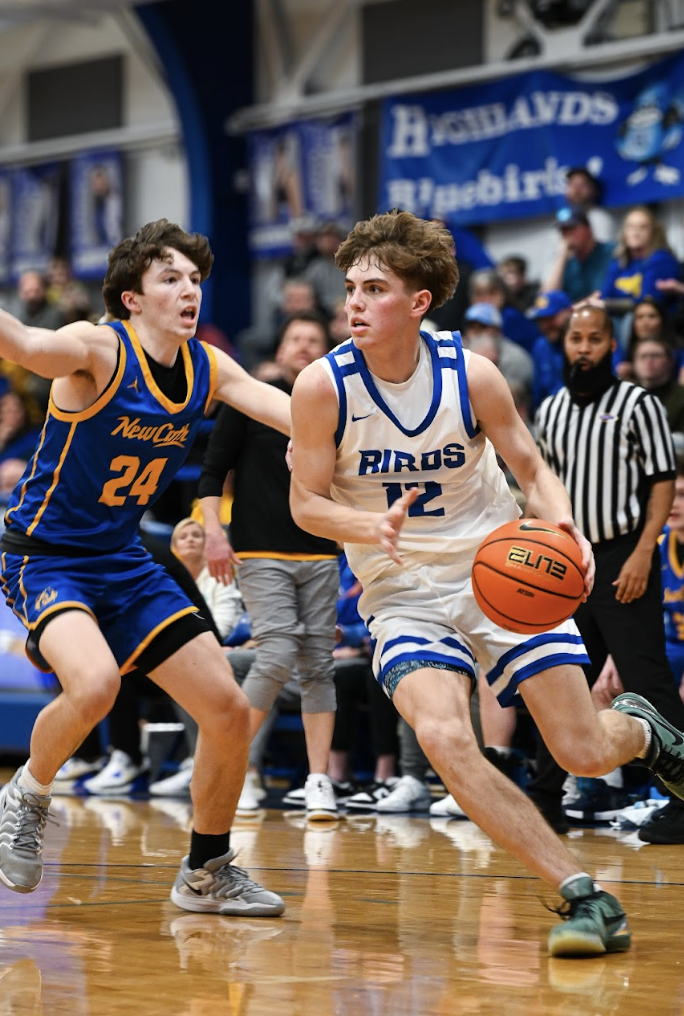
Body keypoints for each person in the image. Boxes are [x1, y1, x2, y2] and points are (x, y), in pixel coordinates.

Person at [288, 209, 684, 957]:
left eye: (374, 288)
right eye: (349, 287)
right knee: (443, 735)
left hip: (500, 573)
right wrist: (366, 527)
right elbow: (305, 501)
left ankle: (644, 727)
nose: (353, 302)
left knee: (583, 752)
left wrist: (562, 522)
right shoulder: (321, 387)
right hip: (403, 592)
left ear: (419, 302)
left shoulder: (469, 373)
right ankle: (583, 894)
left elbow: (531, 467)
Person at [0, 218, 287, 916]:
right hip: (47, 557)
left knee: (225, 709)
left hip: (122, 558)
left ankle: (206, 871)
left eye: (194, 279)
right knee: (95, 684)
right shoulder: (96, 351)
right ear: (132, 297)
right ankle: (27, 793)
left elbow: (291, 413)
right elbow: (28, 344)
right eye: (170, 278)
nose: (189, 290)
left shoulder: (209, 367)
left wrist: (377, 425)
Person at [534, 302, 684, 844]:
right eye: (576, 338)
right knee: (560, 679)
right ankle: (545, 797)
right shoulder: (549, 411)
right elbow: (536, 485)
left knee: (647, 681)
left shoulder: (637, 404)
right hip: (568, 561)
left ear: (610, 346)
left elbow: (663, 481)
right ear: (566, 344)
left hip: (624, 556)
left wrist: (646, 551)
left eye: (595, 339)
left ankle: (683, 797)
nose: (584, 348)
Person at [199, 310, 341, 821]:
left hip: (322, 551)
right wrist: (214, 532)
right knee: (277, 651)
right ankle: (229, 761)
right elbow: (214, 471)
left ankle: (319, 780)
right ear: (279, 349)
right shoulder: (251, 398)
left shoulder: (335, 405)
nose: (304, 345)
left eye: (313, 339)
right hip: (260, 553)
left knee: (318, 666)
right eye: (295, 337)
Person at [543, 206, 614, 304]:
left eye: (572, 229)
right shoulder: (566, 264)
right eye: (563, 231)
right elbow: (547, 299)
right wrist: (562, 256)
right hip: (577, 316)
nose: (567, 236)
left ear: (589, 229)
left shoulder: (612, 252)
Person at [527, 290, 573, 411]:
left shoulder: (587, 342)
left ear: (569, 312)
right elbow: (537, 394)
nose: (546, 326)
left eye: (551, 318)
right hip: (550, 416)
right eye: (541, 321)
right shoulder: (540, 346)